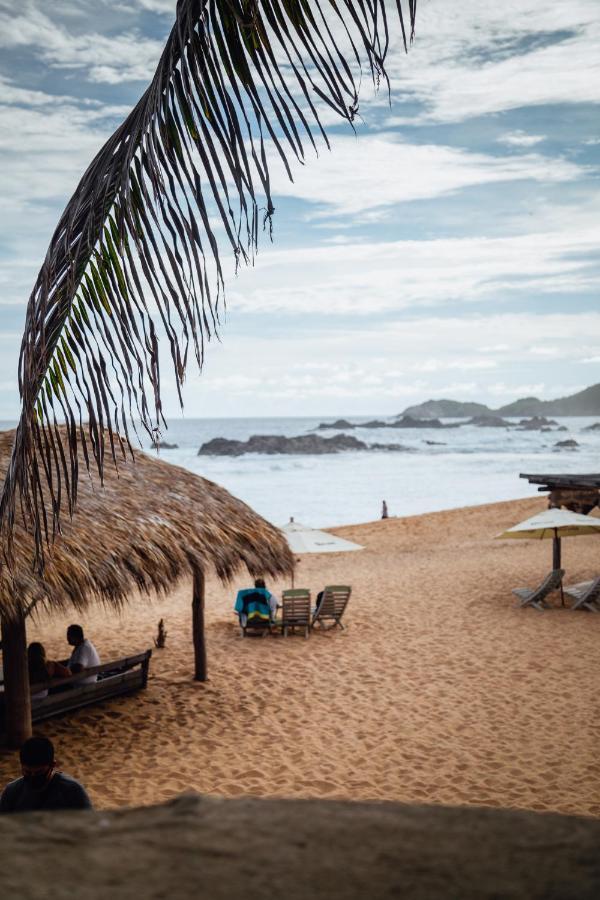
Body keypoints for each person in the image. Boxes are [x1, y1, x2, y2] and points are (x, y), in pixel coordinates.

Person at [0, 736, 92, 814]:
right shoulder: (12, 792)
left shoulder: (72, 791)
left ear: (52, 765)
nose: (33, 777)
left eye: (39, 773)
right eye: (27, 772)